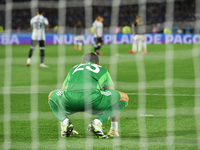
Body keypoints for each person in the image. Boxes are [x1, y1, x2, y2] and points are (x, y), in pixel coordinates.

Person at [48, 53, 129, 138]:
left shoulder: (74, 69)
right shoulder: (102, 70)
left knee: (51, 96)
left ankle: (65, 123)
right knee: (123, 97)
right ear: (98, 63)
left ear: (82, 62)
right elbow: (112, 92)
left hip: (70, 101)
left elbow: (63, 90)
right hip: (93, 101)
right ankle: (107, 126)